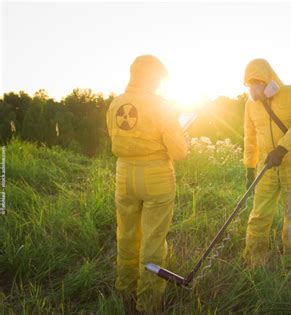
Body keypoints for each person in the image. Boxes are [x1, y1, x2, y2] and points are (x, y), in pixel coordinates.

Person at [106, 55, 188, 312]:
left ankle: (125, 290)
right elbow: (179, 152)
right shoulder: (160, 105)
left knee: (127, 235)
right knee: (152, 243)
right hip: (155, 178)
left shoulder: (115, 104)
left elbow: (116, 137)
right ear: (152, 77)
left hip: (124, 176)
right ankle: (148, 303)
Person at [243, 58, 291, 267]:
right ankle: (255, 260)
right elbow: (249, 137)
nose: (254, 87)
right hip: (266, 166)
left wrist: (281, 149)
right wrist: (249, 166)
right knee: (259, 214)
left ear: (269, 80)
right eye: (249, 83)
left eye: (257, 81)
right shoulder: (250, 105)